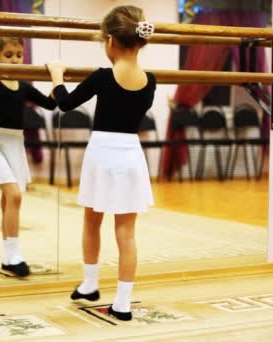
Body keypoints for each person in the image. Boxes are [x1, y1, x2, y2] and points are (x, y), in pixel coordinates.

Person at [46, 5, 156, 321]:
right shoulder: (150, 81)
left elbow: (65, 104)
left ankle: (90, 282)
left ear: (109, 41)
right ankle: (122, 302)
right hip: (131, 153)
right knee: (126, 232)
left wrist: (56, 74)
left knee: (92, 220)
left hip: (103, 153)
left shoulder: (102, 77)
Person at [0, 37, 57, 277]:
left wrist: (57, 78)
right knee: (14, 195)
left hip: (15, 143)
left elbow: (50, 105)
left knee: (8, 200)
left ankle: (7, 256)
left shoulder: (23, 87)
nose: (15, 59)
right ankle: (16, 254)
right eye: (9, 55)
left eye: (19, 55)